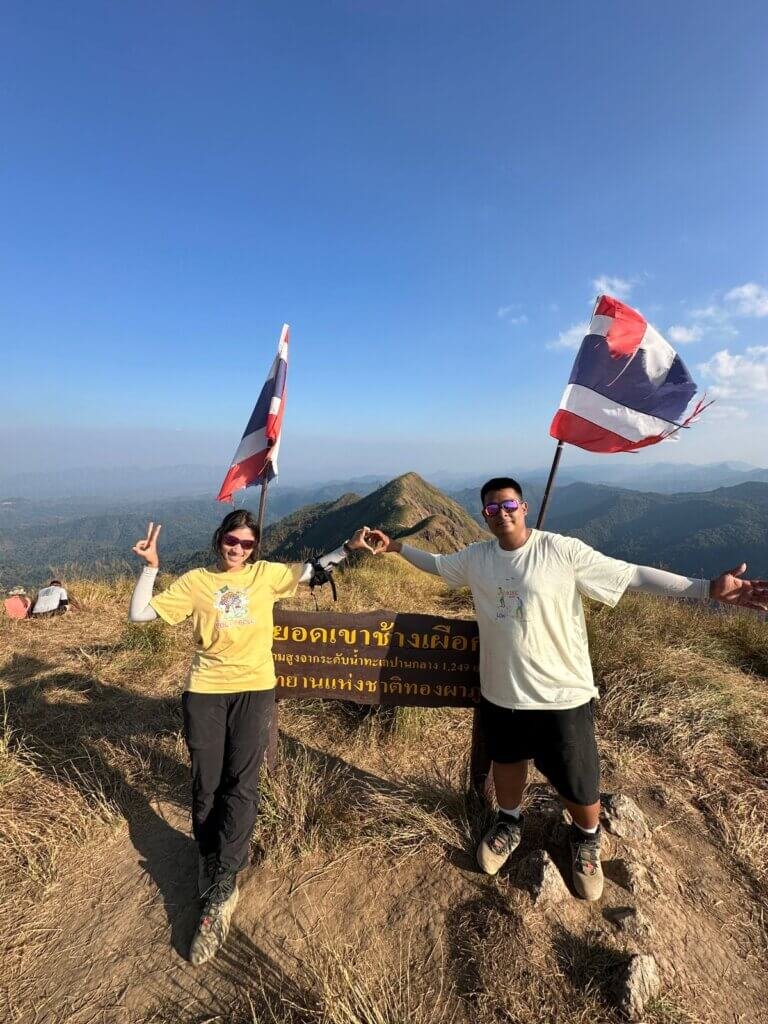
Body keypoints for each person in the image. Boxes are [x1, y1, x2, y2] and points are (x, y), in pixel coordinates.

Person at [368, 476, 768, 901]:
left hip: (563, 694)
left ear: (524, 507)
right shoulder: (476, 558)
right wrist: (394, 546)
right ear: (484, 515)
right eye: (491, 509)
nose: (500, 514)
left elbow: (631, 574)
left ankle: (586, 837)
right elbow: (438, 564)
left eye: (507, 506)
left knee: (579, 780)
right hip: (501, 692)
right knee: (506, 763)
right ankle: (509, 821)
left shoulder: (560, 550)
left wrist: (705, 589)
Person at [129, 510, 373, 964]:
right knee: (206, 782)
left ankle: (224, 884)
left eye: (246, 543)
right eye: (231, 540)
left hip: (256, 689)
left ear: (254, 547)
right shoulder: (197, 581)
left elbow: (313, 571)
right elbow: (141, 614)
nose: (237, 549)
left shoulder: (266, 575)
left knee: (242, 785)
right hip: (205, 692)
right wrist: (150, 568)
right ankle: (208, 852)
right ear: (219, 538)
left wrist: (350, 547)